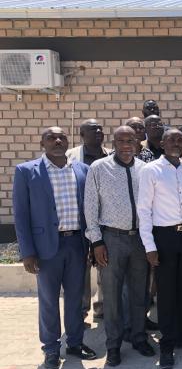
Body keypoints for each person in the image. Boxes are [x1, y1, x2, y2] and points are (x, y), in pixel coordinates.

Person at [13, 127, 97, 369]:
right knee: (49, 300)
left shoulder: (82, 170)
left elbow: (89, 210)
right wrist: (27, 252)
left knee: (75, 299)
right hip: (45, 247)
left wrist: (91, 243)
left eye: (61, 137)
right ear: (42, 143)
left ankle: (75, 343)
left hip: (76, 244)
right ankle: (50, 348)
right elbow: (21, 214)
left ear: (68, 142)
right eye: (51, 137)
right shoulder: (26, 172)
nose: (57, 141)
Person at [84, 126, 155, 367]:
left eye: (131, 140)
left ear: (137, 143)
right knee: (112, 295)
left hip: (140, 239)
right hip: (111, 239)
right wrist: (96, 241)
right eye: (121, 140)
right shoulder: (99, 168)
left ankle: (138, 336)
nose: (126, 145)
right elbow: (90, 207)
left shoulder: (145, 169)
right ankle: (113, 345)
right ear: (113, 143)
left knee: (139, 292)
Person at [137, 129, 182, 369]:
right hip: (163, 237)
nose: (177, 143)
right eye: (173, 140)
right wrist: (150, 246)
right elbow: (144, 210)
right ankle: (167, 344)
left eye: (181, 140)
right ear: (163, 144)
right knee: (166, 293)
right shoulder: (151, 170)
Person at [66, 119, 110, 323]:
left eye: (100, 128)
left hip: (107, 220)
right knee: (81, 270)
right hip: (79, 220)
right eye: (93, 129)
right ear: (82, 134)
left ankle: (101, 307)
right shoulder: (69, 157)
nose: (99, 131)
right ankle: (81, 312)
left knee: (105, 264)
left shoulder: (111, 154)